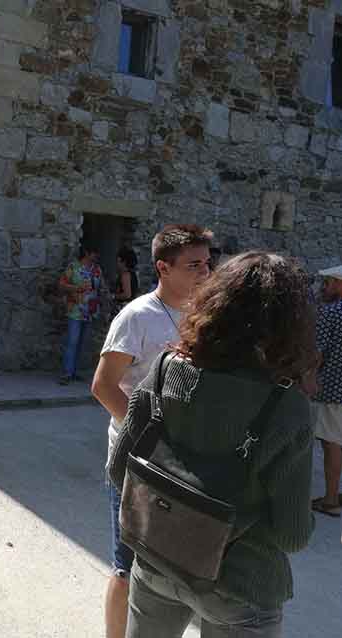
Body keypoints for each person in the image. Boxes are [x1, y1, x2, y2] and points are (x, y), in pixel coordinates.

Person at [109, 251, 317, 638]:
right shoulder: (286, 407)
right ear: (291, 326)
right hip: (239, 584)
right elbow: (292, 534)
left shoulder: (165, 369)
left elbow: (120, 470)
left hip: (156, 560)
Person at [92, 224, 212, 638]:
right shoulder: (137, 317)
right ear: (163, 267)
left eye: (207, 263)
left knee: (169, 570)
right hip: (136, 462)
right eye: (193, 264)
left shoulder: (204, 315)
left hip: (182, 465)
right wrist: (148, 435)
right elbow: (104, 386)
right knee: (126, 567)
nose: (205, 272)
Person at [311, 264, 342, 517]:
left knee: (332, 444)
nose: (325, 287)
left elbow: (317, 355)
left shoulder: (331, 313)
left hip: (333, 391)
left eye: (330, 282)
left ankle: (331, 500)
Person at [58, 241, 103, 385]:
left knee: (82, 343)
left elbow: (100, 287)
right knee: (72, 341)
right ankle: (67, 373)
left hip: (90, 311)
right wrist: (76, 287)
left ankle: (74, 371)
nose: (96, 256)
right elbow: (62, 284)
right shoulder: (73, 267)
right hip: (75, 310)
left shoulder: (96, 269)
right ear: (87, 253)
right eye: (94, 253)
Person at [113, 246, 139, 313]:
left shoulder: (125, 275)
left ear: (123, 262)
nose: (117, 263)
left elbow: (127, 294)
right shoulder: (133, 274)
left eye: (118, 261)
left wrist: (113, 296)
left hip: (124, 308)